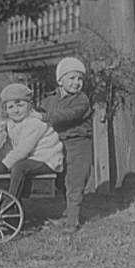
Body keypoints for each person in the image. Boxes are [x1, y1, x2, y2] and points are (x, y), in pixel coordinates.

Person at [36, 57, 93, 234]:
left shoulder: (81, 100)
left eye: (80, 79)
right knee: (61, 181)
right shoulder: (51, 100)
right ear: (60, 80)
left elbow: (69, 115)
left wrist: (45, 117)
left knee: (75, 182)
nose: (77, 83)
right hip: (58, 145)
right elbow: (38, 110)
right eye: (72, 78)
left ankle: (72, 221)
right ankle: (67, 214)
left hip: (79, 144)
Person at [0, 83, 64, 202]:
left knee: (19, 167)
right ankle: (0, 196)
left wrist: (5, 165)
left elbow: (23, 149)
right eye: (11, 107)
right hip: (31, 157)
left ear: (29, 106)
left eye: (20, 105)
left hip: (46, 157)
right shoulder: (11, 124)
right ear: (6, 110)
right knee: (3, 164)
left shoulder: (34, 123)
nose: (16, 110)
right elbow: (9, 145)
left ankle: (11, 204)